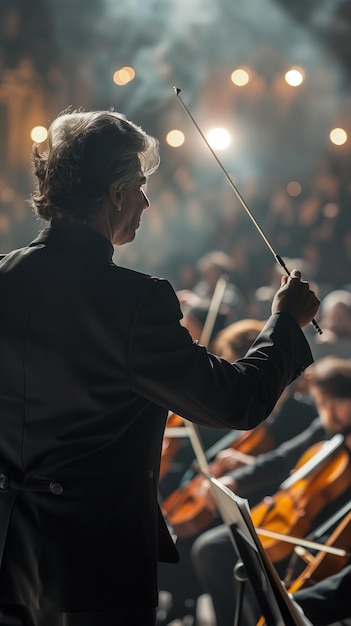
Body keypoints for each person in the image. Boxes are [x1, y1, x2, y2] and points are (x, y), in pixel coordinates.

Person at [0, 108, 319, 626]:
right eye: (142, 186)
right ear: (117, 192)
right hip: (96, 566)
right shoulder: (133, 302)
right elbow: (236, 401)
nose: (147, 201)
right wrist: (285, 324)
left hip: (7, 557)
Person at [191, 356, 351, 626]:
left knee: (253, 577)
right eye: (322, 404)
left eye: (337, 403)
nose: (329, 412)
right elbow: (281, 459)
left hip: (319, 540)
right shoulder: (326, 431)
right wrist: (235, 480)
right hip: (286, 521)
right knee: (210, 548)